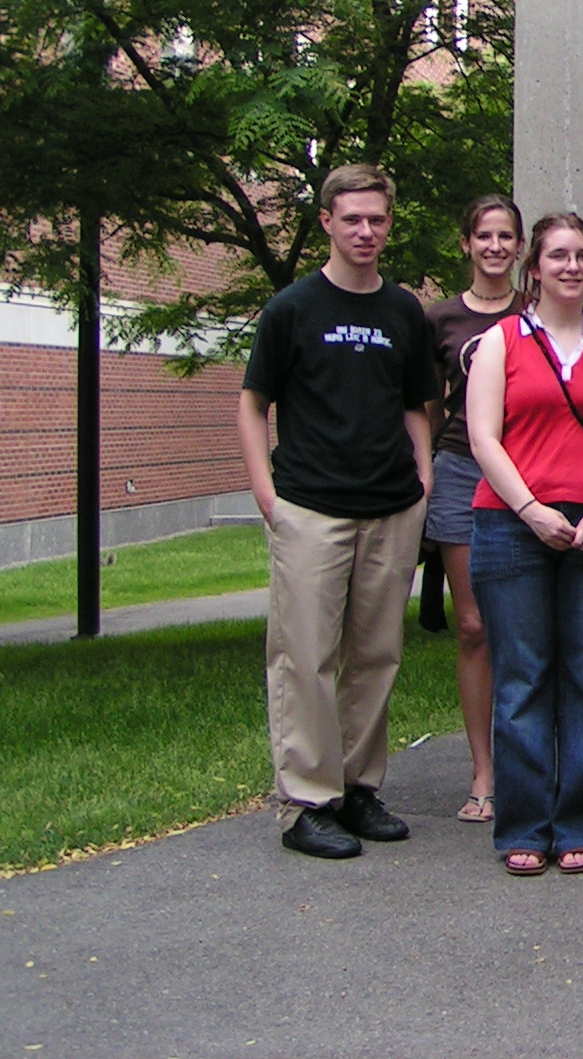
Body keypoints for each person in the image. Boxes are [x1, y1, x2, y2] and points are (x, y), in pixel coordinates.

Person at [237, 163, 438, 860]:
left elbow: (415, 403)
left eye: (377, 219)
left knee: (375, 656)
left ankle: (358, 788)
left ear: (389, 223)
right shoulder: (292, 308)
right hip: (310, 507)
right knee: (306, 657)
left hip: (391, 506)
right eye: (352, 219)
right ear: (326, 221)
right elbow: (252, 404)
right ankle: (306, 802)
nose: (365, 231)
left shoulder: (403, 311)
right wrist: (266, 494)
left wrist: (424, 476)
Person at [464, 212, 583, 876]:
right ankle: (523, 827)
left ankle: (581, 826)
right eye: (558, 256)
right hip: (512, 526)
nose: (572, 266)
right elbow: (483, 437)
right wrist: (531, 510)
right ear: (533, 268)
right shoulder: (500, 342)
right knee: (522, 680)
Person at [422, 194, 525, 824]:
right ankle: (484, 772)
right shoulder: (439, 319)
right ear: (466, 243)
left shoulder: (536, 310)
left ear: (519, 247)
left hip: (529, 471)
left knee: (525, 627)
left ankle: (526, 765)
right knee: (474, 627)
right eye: (483, 236)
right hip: (462, 471)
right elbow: (427, 405)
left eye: (505, 236)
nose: (494, 246)